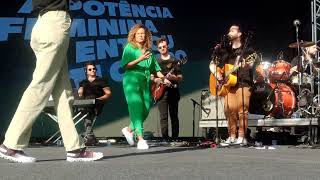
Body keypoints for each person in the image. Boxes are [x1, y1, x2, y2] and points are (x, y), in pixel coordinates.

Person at [0, 0, 103, 163]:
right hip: (54, 23)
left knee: (63, 92)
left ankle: (74, 148)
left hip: (44, 24)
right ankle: (11, 145)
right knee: (40, 86)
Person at [120, 24, 170, 149]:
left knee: (145, 110)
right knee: (136, 107)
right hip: (131, 80)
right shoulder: (129, 48)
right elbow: (126, 65)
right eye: (139, 33)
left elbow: (155, 70)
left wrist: (164, 78)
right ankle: (140, 138)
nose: (141, 35)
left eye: (143, 33)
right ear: (134, 35)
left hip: (144, 81)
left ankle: (129, 129)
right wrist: (140, 58)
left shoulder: (149, 52)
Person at [213, 24, 257, 146]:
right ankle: (232, 135)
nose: (229, 32)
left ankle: (242, 136)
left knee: (242, 110)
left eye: (232, 30)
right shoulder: (226, 51)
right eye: (229, 30)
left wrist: (246, 65)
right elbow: (216, 65)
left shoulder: (248, 49)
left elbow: (251, 63)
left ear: (239, 34)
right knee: (229, 110)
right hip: (229, 84)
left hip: (244, 82)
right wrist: (219, 76)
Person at [153, 37, 183, 140]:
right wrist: (160, 80)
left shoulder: (175, 60)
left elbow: (180, 78)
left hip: (173, 91)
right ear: (158, 49)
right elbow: (152, 77)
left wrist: (173, 77)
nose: (162, 48)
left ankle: (175, 138)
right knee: (163, 116)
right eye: (160, 47)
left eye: (164, 46)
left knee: (174, 115)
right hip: (161, 91)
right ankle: (165, 138)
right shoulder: (156, 61)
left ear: (167, 46)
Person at [78, 62, 111, 146]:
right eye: (90, 69)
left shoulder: (101, 80)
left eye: (94, 69)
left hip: (97, 104)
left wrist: (98, 99)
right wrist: (80, 92)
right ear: (86, 71)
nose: (93, 70)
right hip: (85, 104)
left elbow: (108, 93)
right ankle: (90, 137)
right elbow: (80, 93)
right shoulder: (83, 82)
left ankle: (89, 136)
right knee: (83, 110)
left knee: (87, 112)